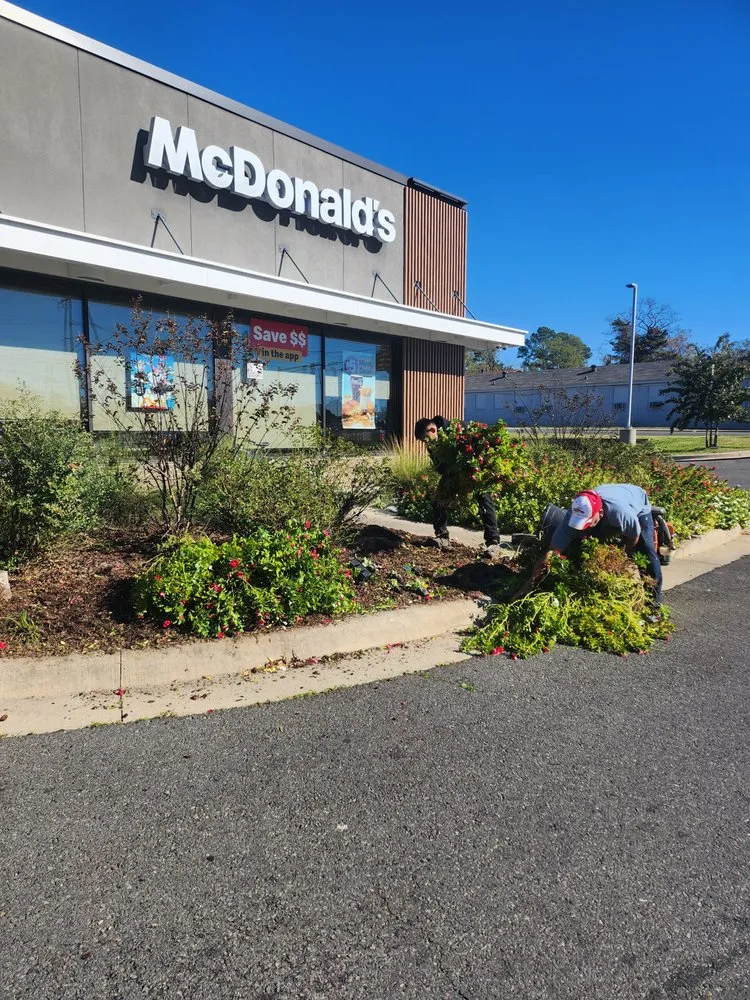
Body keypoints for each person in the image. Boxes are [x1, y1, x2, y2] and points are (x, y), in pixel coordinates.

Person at [535, 484, 663, 607]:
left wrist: (624, 558)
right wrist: (532, 581)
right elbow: (553, 551)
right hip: (610, 497)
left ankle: (654, 603)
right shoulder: (575, 512)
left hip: (636, 501)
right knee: (580, 541)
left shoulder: (620, 513)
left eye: (588, 523)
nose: (584, 528)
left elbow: (634, 535)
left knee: (646, 549)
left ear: (600, 513)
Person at [414, 415, 502, 557]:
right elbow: (440, 468)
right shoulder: (432, 445)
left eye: (426, 439)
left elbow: (483, 445)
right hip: (453, 473)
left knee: (484, 499)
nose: (426, 443)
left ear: (432, 430)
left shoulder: (459, 429)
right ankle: (442, 537)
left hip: (474, 469)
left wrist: (478, 466)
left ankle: (493, 542)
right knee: (438, 500)